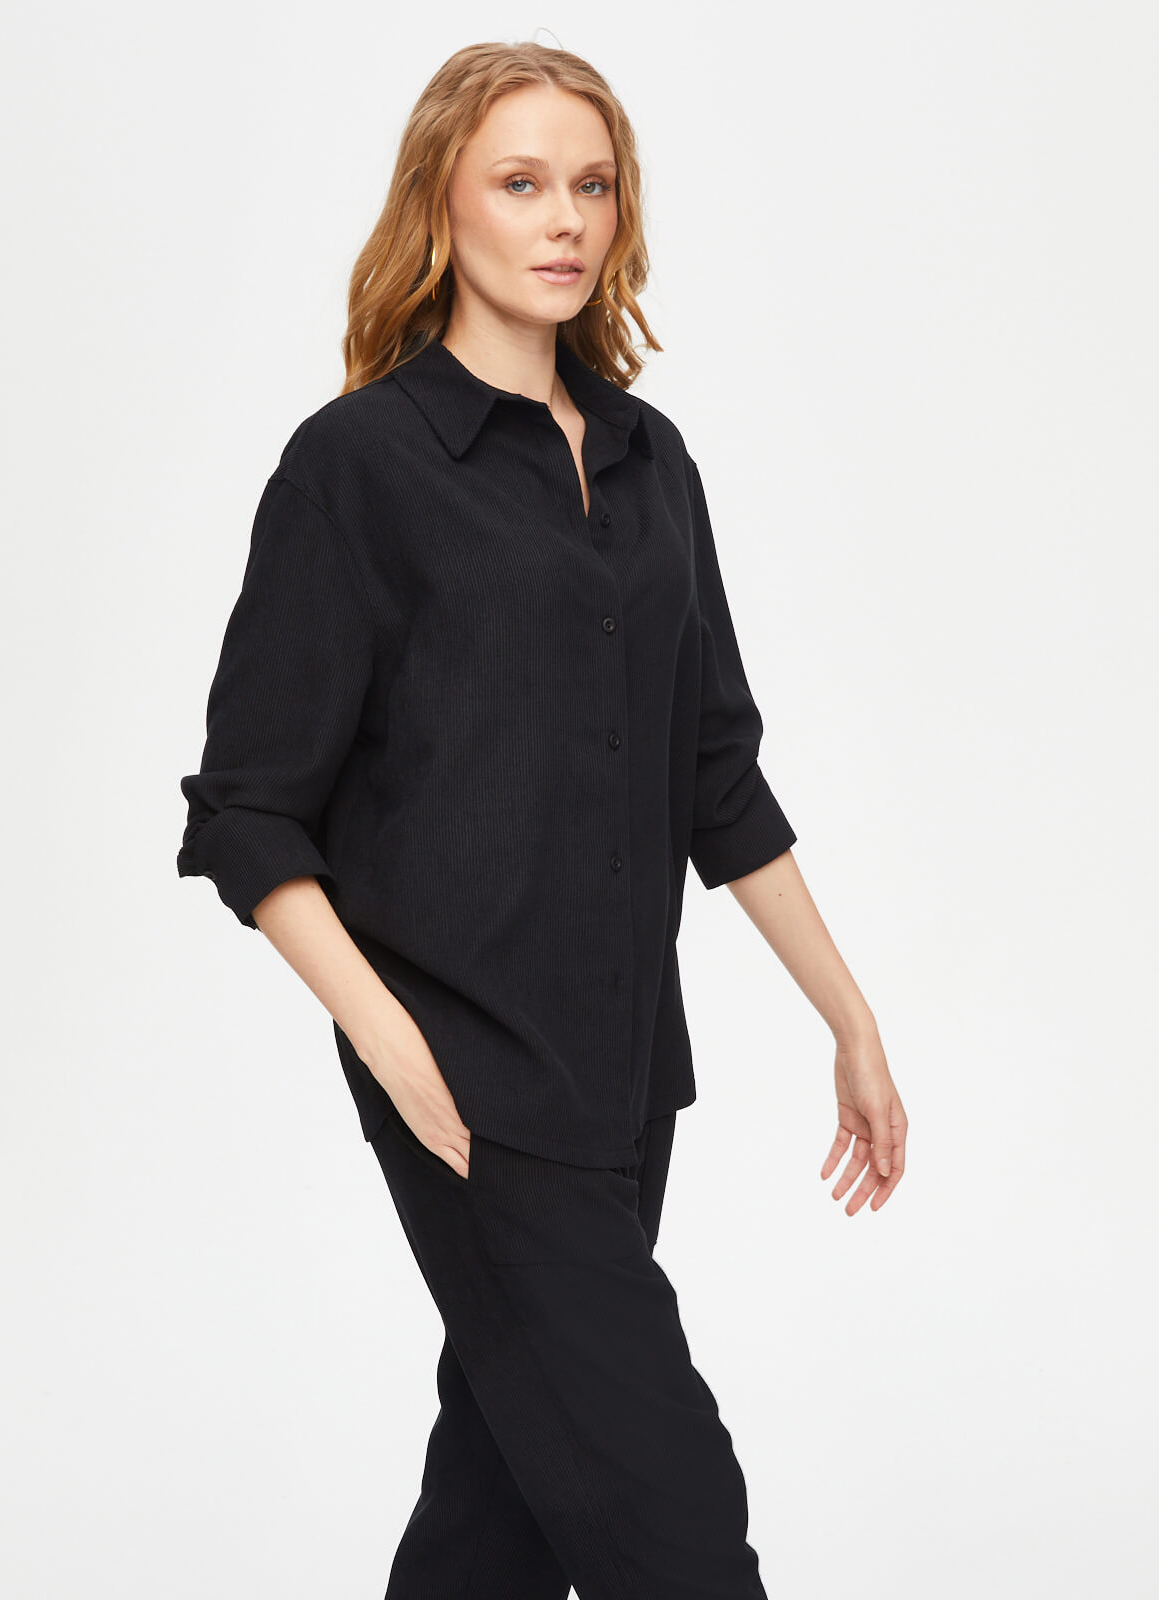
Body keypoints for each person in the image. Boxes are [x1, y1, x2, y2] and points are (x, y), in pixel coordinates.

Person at [175, 39, 907, 1600]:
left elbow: (716, 773)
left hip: (628, 1075)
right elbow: (248, 809)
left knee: (498, 1514)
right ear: (442, 203)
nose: (564, 218)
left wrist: (850, 1020)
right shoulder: (357, 467)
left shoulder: (652, 463)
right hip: (467, 1079)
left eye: (592, 185)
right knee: (676, 1522)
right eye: (521, 183)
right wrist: (389, 1041)